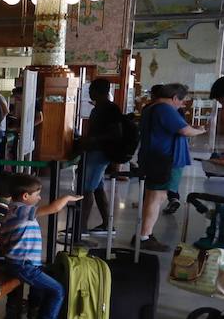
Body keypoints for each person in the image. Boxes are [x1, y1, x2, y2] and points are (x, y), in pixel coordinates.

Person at [0, 173, 82, 319]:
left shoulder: (14, 210)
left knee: (45, 280)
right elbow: (53, 208)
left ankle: (35, 311)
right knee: (58, 290)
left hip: (22, 264)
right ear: (25, 196)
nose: (39, 198)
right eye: (36, 195)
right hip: (23, 265)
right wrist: (66, 197)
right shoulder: (21, 210)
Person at [137, 82, 205, 251]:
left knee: (154, 196)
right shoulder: (164, 109)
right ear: (175, 98)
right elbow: (185, 131)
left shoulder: (151, 108)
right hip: (164, 160)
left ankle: (145, 234)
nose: (182, 105)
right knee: (156, 196)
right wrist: (201, 130)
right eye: (182, 101)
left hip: (156, 158)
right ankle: (145, 236)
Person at [80, 78, 123, 233]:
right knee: (97, 189)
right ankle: (107, 224)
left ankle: (81, 227)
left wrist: (94, 139)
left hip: (100, 153)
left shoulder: (110, 109)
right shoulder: (99, 108)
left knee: (87, 189)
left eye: (91, 90)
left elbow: (116, 133)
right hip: (95, 151)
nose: (90, 93)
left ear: (99, 91)